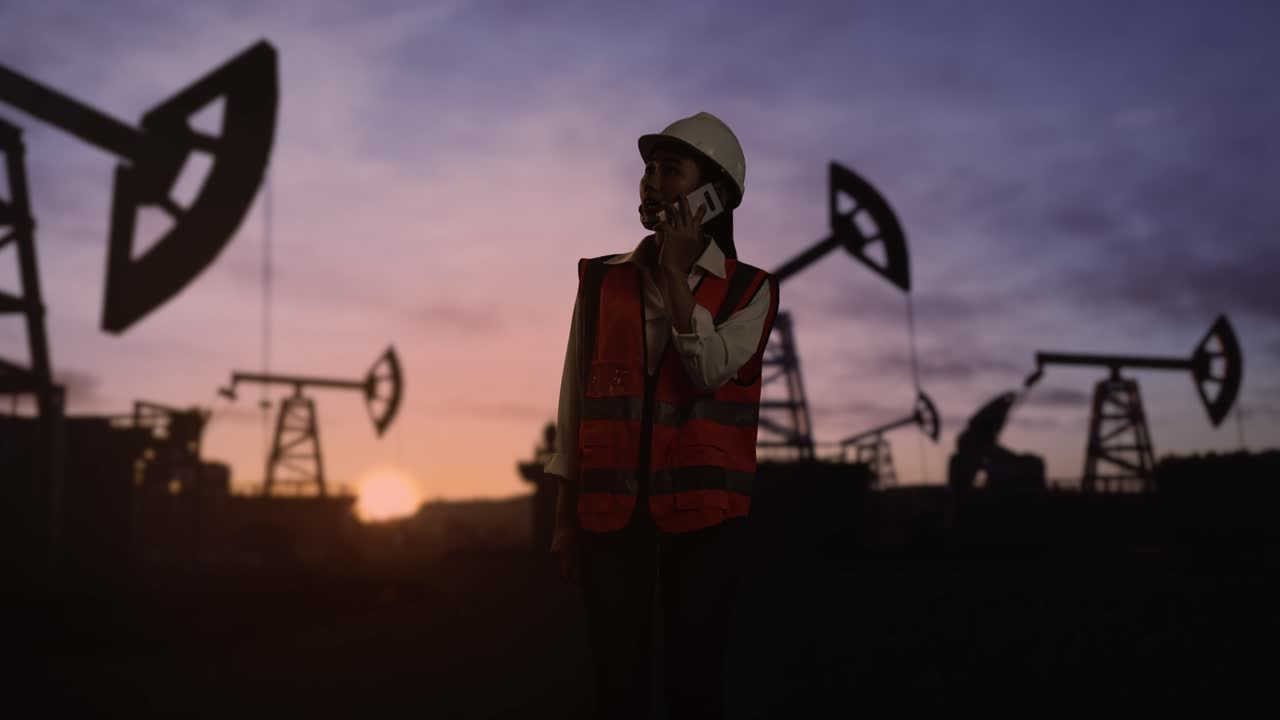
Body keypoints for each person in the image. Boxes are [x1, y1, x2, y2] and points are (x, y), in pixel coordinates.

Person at [543, 111, 779, 719]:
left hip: (705, 523)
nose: (651, 181)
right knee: (617, 686)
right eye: (648, 169)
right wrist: (565, 515)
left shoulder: (751, 291)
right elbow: (575, 398)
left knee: (693, 686)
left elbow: (708, 369)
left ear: (714, 195)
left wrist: (676, 275)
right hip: (609, 517)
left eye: (670, 170)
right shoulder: (601, 281)